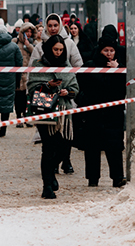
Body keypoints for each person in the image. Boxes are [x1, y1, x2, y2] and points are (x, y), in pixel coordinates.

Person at [28, 36, 78, 199]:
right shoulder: (39, 66)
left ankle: (51, 174)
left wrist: (67, 91)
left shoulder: (67, 65)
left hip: (64, 110)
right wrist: (48, 86)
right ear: (49, 49)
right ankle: (47, 185)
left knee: (64, 146)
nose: (58, 53)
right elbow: (32, 87)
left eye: (61, 50)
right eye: (55, 49)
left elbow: (75, 87)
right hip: (45, 109)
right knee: (48, 148)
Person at [74, 36, 127, 187]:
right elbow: (79, 86)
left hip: (113, 114)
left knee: (115, 146)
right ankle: (92, 178)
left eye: (111, 50)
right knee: (92, 147)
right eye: (106, 50)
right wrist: (84, 101)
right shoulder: (90, 66)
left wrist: (117, 70)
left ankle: (117, 177)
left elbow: (124, 88)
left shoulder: (120, 67)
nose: (109, 53)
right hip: (93, 114)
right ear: (100, 50)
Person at [14, 22, 38, 126]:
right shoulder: (15, 42)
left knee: (28, 98)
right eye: (26, 31)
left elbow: (37, 55)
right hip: (19, 74)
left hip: (30, 74)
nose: (28, 34)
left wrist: (29, 46)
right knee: (18, 97)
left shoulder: (35, 43)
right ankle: (19, 118)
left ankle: (26, 117)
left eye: (30, 32)